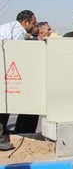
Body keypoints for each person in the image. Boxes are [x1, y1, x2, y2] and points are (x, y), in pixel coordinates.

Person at [0, 10, 39, 150]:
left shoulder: (11, 27)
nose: (35, 26)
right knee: (3, 106)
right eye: (33, 23)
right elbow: (17, 53)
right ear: (25, 22)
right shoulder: (17, 31)